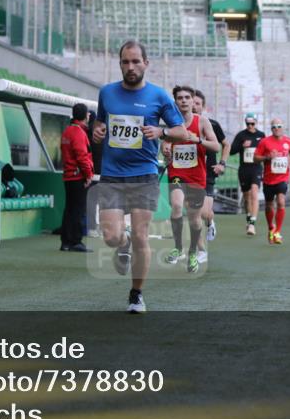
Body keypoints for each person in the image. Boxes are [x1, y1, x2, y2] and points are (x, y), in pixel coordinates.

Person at [93, 40, 188, 313]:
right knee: (111, 235)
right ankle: (121, 247)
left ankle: (136, 294)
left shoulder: (159, 96)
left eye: (136, 61)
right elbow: (100, 123)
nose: (131, 66)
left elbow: (180, 131)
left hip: (144, 175)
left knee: (141, 235)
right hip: (112, 175)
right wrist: (96, 132)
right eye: (125, 62)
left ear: (146, 63)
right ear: (120, 64)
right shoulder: (107, 93)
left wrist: (161, 132)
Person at [161, 86, 220, 273]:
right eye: (180, 98)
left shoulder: (202, 121)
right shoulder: (171, 121)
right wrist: (166, 148)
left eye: (187, 97)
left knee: (195, 219)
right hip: (177, 173)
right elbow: (166, 141)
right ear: (175, 101)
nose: (184, 101)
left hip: (197, 176)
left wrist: (198, 141)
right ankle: (178, 248)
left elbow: (216, 146)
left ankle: (193, 252)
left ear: (193, 100)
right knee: (177, 205)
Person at [192, 90, 226, 264]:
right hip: (189, 174)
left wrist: (222, 163)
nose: (194, 105)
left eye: (198, 103)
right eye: (192, 102)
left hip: (207, 174)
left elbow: (225, 144)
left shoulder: (212, 124)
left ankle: (210, 221)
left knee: (204, 213)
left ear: (203, 106)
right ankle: (201, 250)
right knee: (193, 214)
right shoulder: (180, 124)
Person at [253, 119, 290, 245]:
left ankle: (277, 231)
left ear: (283, 127)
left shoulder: (289, 141)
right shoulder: (264, 142)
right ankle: (271, 228)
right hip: (268, 179)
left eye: (279, 126)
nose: (276, 128)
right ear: (271, 129)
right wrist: (267, 157)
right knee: (269, 205)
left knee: (281, 202)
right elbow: (255, 158)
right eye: (274, 127)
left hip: (282, 178)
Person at [60, 103, 93, 252]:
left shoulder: (67, 131)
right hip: (78, 176)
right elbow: (82, 157)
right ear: (85, 115)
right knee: (79, 210)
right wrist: (88, 175)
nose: (89, 116)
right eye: (88, 114)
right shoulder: (79, 133)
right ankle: (76, 241)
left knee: (69, 209)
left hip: (68, 176)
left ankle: (66, 242)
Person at [228, 113, 266, 236]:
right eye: (247, 123)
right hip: (244, 169)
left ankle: (252, 224)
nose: (250, 126)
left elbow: (265, 152)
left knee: (254, 193)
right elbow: (232, 151)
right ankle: (249, 216)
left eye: (252, 123)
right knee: (246, 196)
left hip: (256, 168)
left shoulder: (261, 136)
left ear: (256, 123)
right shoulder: (241, 135)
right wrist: (241, 145)